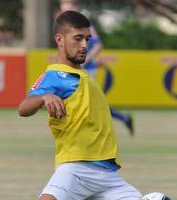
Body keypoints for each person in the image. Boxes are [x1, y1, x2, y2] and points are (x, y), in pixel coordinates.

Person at [19, 10, 141, 200]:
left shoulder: (86, 76)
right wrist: (44, 97)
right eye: (78, 39)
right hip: (76, 168)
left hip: (109, 176)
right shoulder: (55, 75)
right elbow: (24, 108)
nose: (85, 45)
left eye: (87, 38)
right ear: (60, 40)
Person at [59, 0, 134, 135]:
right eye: (64, 10)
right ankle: (123, 118)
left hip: (85, 70)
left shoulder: (84, 25)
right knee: (89, 102)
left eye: (68, 10)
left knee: (83, 101)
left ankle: (85, 131)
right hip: (72, 69)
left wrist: (85, 60)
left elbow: (98, 45)